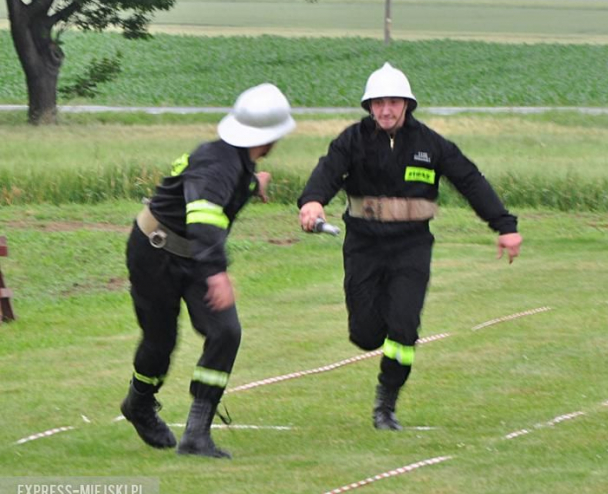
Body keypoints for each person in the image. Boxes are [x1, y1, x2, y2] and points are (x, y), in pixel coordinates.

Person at [298, 62, 523, 430]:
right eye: (378, 103)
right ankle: (375, 336)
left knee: (403, 329)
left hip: (411, 247)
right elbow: (327, 171)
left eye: (393, 102)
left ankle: (386, 404)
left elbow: (470, 181)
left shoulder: (431, 145)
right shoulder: (351, 140)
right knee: (365, 335)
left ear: (407, 105)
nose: (386, 110)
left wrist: (504, 225)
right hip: (363, 245)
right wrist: (312, 201)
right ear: (369, 106)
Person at [121, 83, 296, 458]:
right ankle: (138, 402)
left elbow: (227, 188)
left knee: (225, 332)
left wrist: (253, 184)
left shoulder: (236, 160)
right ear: (270, 138)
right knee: (160, 342)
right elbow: (202, 217)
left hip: (192, 255)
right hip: (155, 253)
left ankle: (197, 433)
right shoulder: (218, 164)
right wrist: (217, 273)